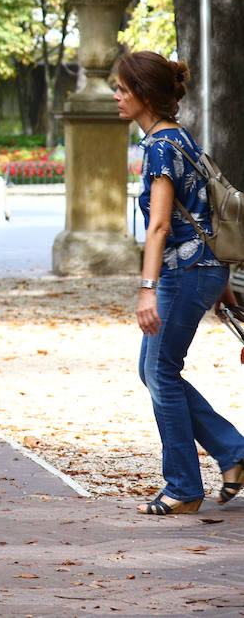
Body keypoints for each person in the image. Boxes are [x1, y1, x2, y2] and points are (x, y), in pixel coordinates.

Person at [113, 50, 244, 516]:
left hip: (182, 272)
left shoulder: (159, 147)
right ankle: (233, 452)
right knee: (154, 370)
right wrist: (220, 280)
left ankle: (185, 486)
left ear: (145, 95)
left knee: (160, 372)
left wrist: (147, 288)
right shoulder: (180, 138)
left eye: (123, 90)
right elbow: (203, 211)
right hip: (201, 269)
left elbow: (160, 226)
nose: (116, 96)